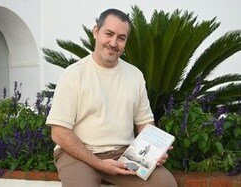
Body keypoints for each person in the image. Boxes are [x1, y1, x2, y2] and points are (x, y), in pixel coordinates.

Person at [46, 8, 177, 187]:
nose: (113, 43)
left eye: (121, 38)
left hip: (124, 154)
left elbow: (145, 123)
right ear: (96, 32)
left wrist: (154, 152)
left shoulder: (135, 75)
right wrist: (99, 164)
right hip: (78, 155)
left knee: (165, 183)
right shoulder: (73, 74)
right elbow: (59, 132)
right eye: (109, 34)